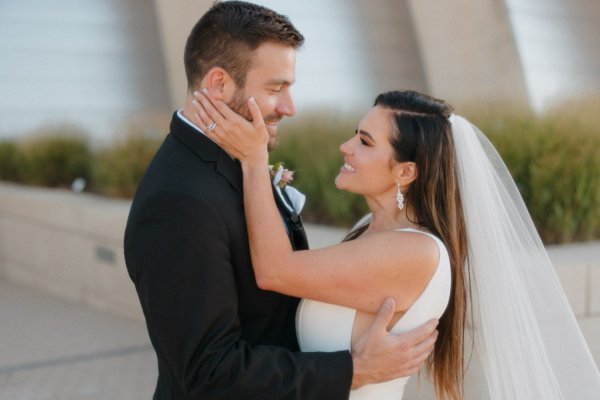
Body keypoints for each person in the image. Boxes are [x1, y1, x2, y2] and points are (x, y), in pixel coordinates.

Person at [191, 88, 600, 399]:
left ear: (405, 171)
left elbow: (275, 270)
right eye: (355, 135)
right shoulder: (371, 226)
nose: (345, 147)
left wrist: (253, 160)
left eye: (365, 142)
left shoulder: (414, 252)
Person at [124, 2, 438, 399]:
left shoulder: (241, 158)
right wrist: (353, 369)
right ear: (219, 84)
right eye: (275, 89)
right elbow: (209, 374)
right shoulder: (178, 201)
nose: (289, 108)